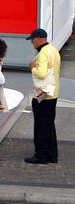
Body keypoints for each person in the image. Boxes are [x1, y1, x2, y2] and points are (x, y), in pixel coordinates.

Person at [26, 27, 60, 164]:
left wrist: (33, 68)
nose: (32, 43)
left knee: (40, 126)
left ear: (38, 39)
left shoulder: (43, 53)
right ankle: (52, 154)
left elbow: (41, 73)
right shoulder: (54, 50)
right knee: (49, 125)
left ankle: (41, 155)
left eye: (33, 40)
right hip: (53, 93)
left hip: (43, 95)